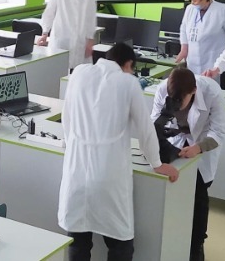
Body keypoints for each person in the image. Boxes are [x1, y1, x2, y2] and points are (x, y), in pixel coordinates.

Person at [58, 43, 179, 261]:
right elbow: (145, 129)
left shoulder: (79, 73)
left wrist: (71, 144)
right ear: (128, 64)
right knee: (120, 245)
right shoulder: (128, 83)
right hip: (109, 177)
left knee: (78, 243)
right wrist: (157, 163)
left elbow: (67, 117)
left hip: (76, 172)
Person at [152, 67, 225, 261]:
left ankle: (196, 245)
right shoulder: (163, 89)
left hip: (201, 143)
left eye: (180, 100)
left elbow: (218, 132)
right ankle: (175, 240)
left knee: (199, 195)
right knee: (172, 191)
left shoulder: (212, 93)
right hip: (175, 142)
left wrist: (198, 148)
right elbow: (154, 123)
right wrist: (163, 125)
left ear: (193, 91)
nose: (177, 104)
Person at [38, 0, 97, 69]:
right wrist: (45, 32)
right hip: (61, 37)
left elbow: (91, 18)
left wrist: (90, 40)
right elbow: (49, 11)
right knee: (58, 69)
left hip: (80, 39)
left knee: (79, 71)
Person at [175, 0, 225, 76]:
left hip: (213, 62)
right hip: (193, 61)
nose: (192, 3)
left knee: (211, 84)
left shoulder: (222, 10)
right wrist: (184, 49)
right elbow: (183, 29)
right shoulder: (190, 9)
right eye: (191, 0)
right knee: (194, 83)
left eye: (195, 1)